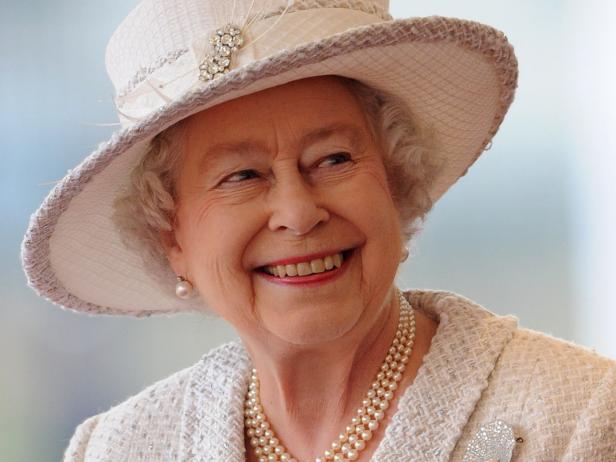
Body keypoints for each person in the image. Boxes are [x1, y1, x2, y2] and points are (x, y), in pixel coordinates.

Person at [21, 1, 615, 461]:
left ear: (395, 183)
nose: (298, 213)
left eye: (332, 160)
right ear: (171, 239)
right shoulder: (121, 448)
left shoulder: (580, 416)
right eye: (242, 175)